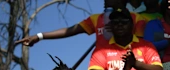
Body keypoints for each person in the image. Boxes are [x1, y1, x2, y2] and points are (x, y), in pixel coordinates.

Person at [17, 0, 147, 47]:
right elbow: (70, 30)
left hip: (128, 65)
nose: (104, 1)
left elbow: (140, 45)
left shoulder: (136, 18)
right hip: (102, 66)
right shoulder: (96, 19)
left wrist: (119, 30)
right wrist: (39, 36)